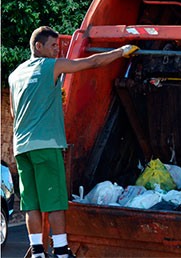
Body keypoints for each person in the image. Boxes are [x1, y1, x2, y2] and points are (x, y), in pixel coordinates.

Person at [8, 26, 139, 258]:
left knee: (31, 204)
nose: (57, 51)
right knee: (55, 201)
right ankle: (60, 251)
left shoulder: (15, 75)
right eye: (52, 47)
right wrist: (121, 51)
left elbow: (13, 112)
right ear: (38, 46)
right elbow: (92, 63)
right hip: (46, 145)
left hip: (21, 148)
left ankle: (37, 252)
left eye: (58, 47)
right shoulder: (52, 66)